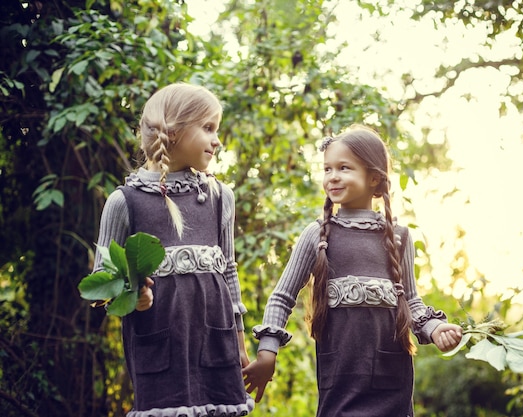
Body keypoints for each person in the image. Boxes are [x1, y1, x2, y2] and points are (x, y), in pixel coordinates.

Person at [243, 125, 463, 416]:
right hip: (340, 383)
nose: (332, 176)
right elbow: (283, 297)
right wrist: (267, 352)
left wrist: (435, 329)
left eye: (344, 168)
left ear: (374, 177)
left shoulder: (400, 237)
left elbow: (410, 301)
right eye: (327, 169)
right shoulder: (318, 235)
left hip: (392, 383)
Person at [92, 82, 254, 417]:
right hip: (159, 347)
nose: (217, 140)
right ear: (175, 132)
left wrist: (239, 341)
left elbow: (229, 271)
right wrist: (131, 295)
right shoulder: (124, 202)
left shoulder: (221, 197)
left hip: (217, 345)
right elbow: (101, 283)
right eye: (208, 128)